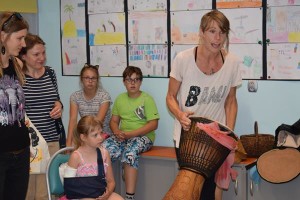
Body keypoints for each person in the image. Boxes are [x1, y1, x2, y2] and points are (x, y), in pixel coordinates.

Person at [166, 10, 242, 200]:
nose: (218, 38)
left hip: (216, 139)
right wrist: (179, 114)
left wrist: (229, 134)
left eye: (223, 32)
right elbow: (170, 96)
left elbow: (231, 101)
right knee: (189, 189)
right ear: (201, 32)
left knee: (208, 191)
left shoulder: (232, 62)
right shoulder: (183, 59)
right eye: (212, 31)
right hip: (188, 135)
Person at [103, 66, 160, 200]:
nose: (132, 83)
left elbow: (153, 124)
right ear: (124, 82)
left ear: (140, 82)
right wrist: (117, 132)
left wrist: (131, 134)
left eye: (136, 80)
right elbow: (113, 121)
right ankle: (105, 191)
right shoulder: (120, 99)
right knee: (103, 150)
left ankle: (129, 197)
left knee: (130, 153)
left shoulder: (147, 99)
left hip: (144, 137)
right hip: (123, 136)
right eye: (129, 80)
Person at [19, 33, 64, 200]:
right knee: (28, 191)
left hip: (52, 140)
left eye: (43, 53)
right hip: (29, 144)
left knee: (48, 191)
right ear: (23, 56)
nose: (42, 58)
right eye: (36, 54)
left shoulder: (50, 73)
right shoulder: (17, 77)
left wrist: (59, 106)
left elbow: (56, 99)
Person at [0, 12, 30, 200]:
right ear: (3, 36)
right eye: (19, 38)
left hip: (20, 151)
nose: (24, 44)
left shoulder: (17, 64)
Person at [66, 115, 123, 200]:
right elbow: (69, 187)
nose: (100, 137)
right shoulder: (76, 156)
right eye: (95, 135)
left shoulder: (104, 153)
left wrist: (108, 193)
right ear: (83, 137)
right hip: (81, 196)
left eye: (101, 133)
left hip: (101, 194)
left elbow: (111, 182)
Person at [67, 63, 112, 147]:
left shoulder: (104, 96)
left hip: (103, 135)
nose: (90, 81)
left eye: (93, 78)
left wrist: (87, 141)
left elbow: (97, 122)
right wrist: (69, 143)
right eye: (87, 78)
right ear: (81, 79)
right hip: (85, 135)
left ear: (97, 79)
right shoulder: (75, 97)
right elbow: (73, 120)